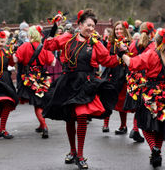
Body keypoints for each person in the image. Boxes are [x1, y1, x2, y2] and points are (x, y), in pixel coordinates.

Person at [42, 9, 120, 169]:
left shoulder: (95, 43)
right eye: (88, 25)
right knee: (70, 118)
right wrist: (55, 28)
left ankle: (80, 154)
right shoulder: (67, 38)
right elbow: (48, 45)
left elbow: (107, 61)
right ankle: (72, 151)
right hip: (68, 82)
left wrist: (121, 55)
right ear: (80, 24)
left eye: (93, 26)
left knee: (82, 115)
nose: (91, 28)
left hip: (86, 83)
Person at [120, 28, 165, 168]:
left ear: (156, 41)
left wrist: (121, 53)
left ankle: (154, 148)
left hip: (151, 93)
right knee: (162, 126)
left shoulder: (151, 54)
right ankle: (158, 153)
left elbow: (132, 63)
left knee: (143, 123)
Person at [14, 25, 55, 138]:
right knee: (40, 102)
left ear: (31, 35)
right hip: (42, 77)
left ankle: (44, 126)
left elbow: (17, 59)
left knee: (37, 104)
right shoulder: (44, 47)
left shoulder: (25, 46)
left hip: (30, 78)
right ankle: (41, 125)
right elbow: (52, 62)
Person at [124, 22, 156, 142]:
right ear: (152, 32)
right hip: (146, 77)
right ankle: (144, 130)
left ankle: (135, 129)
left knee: (138, 105)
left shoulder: (134, 44)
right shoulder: (152, 46)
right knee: (146, 106)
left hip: (133, 77)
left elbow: (128, 58)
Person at [101, 20, 131, 134]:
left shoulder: (129, 42)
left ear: (125, 30)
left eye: (120, 29)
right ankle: (105, 124)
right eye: (116, 29)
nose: (118, 31)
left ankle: (123, 126)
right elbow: (107, 57)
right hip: (112, 72)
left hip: (124, 74)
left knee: (121, 101)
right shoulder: (111, 43)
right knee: (107, 98)